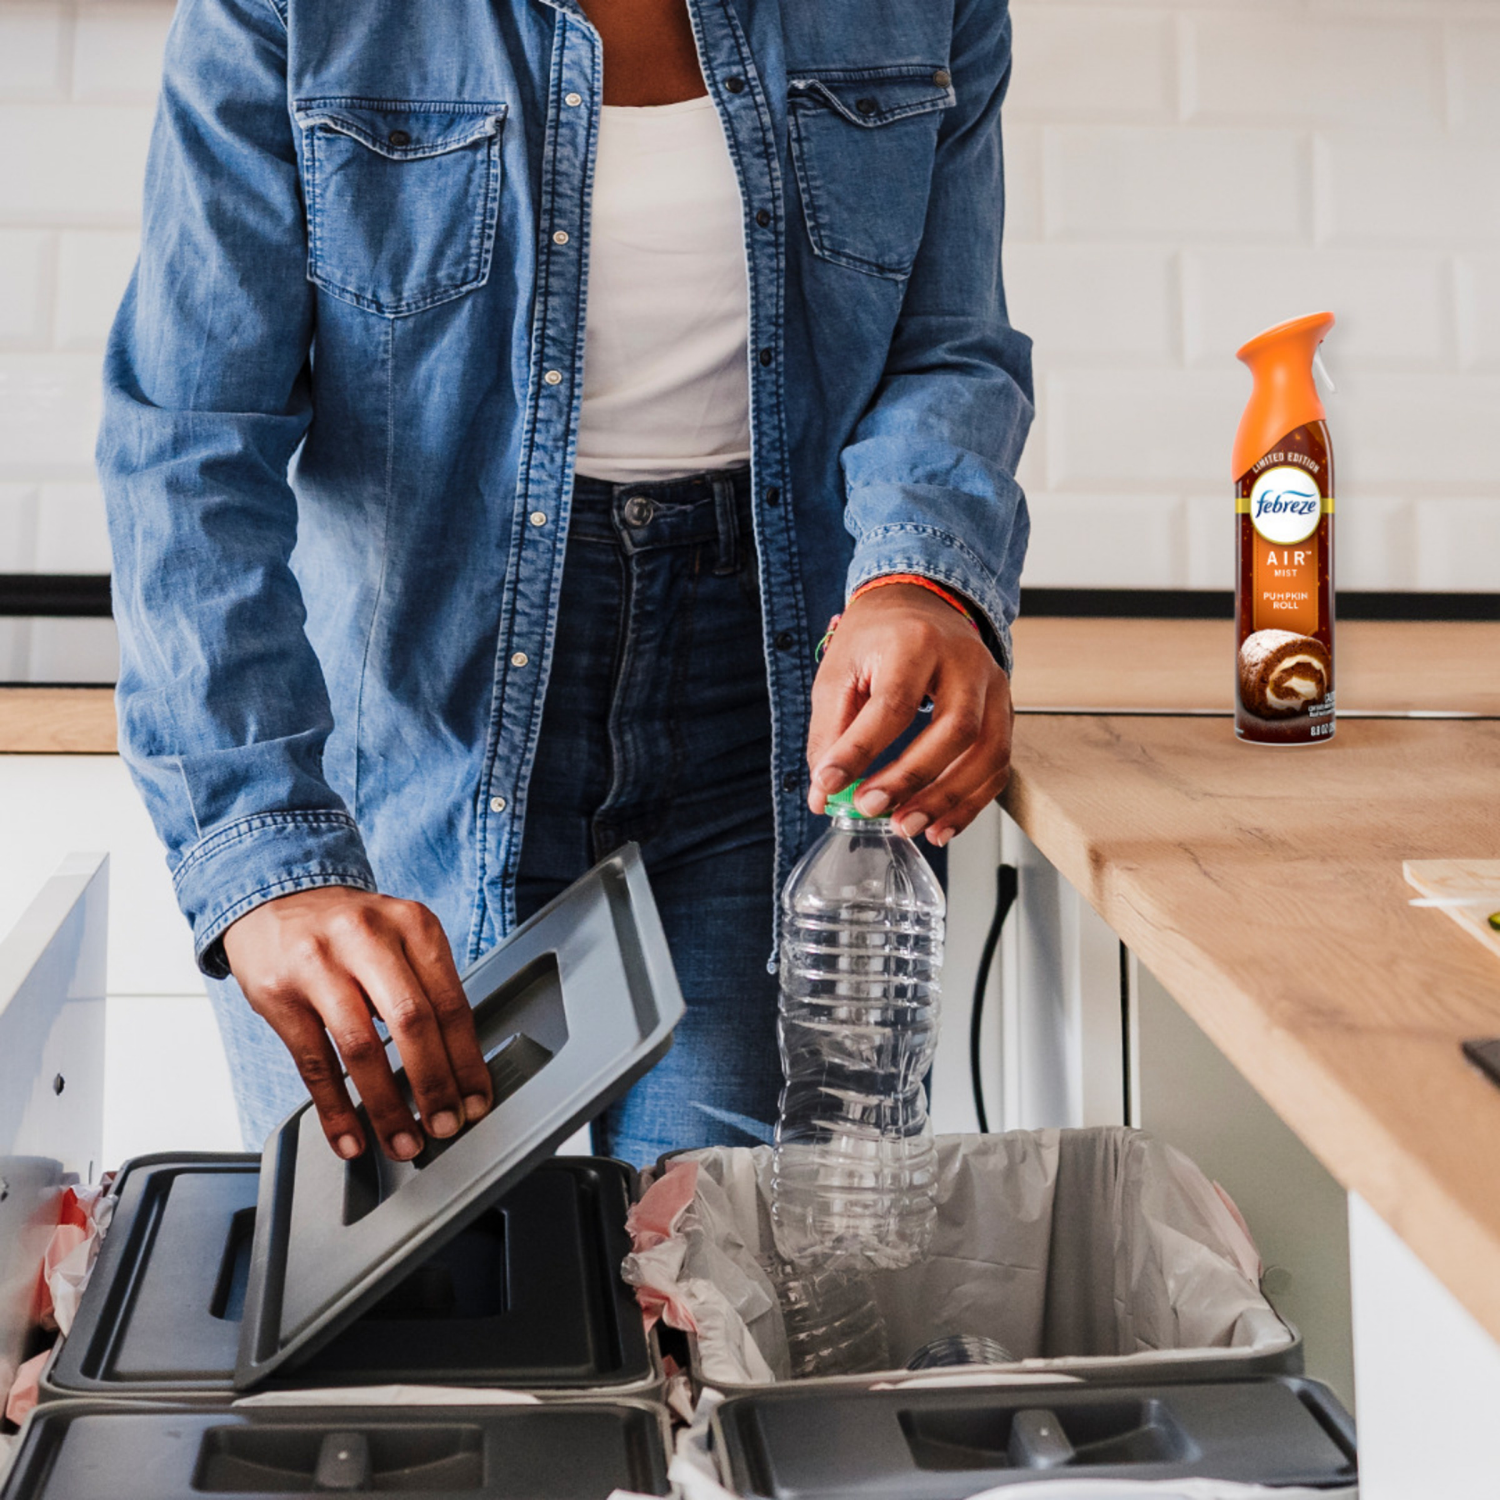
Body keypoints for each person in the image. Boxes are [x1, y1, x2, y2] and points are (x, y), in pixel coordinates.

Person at [99, 0, 1032, 1168]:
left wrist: (924, 582)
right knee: (414, 1306)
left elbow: (946, 344)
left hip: (774, 734)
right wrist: (267, 857)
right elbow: (189, 439)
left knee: (731, 1292)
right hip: (415, 731)